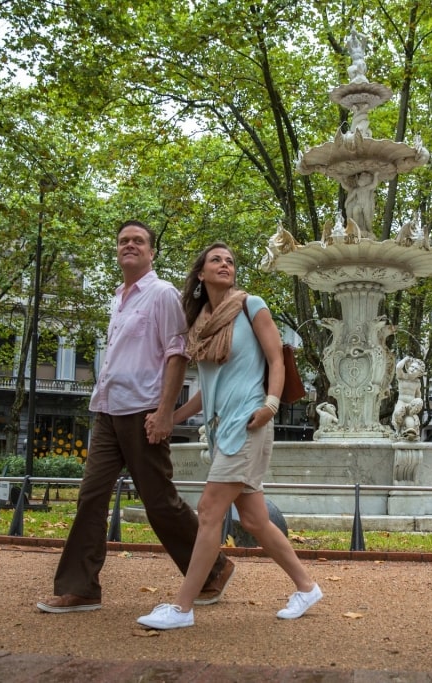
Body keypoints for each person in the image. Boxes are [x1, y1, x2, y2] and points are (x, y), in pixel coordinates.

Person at [37, 221, 233, 614]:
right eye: (124, 240)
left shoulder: (161, 295)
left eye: (138, 241)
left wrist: (164, 413)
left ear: (151, 252)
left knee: (159, 501)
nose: (130, 245)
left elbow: (176, 354)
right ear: (117, 250)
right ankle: (81, 588)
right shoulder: (118, 298)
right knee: (91, 496)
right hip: (107, 410)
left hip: (143, 412)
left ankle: (212, 568)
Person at [137, 242, 321, 630]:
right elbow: (209, 388)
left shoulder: (251, 305)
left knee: (208, 511)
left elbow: (276, 360)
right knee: (254, 520)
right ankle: (307, 587)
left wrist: (271, 405)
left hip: (248, 423)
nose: (225, 264)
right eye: (216, 260)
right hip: (222, 429)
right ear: (201, 274)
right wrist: (169, 416)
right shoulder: (200, 322)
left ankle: (182, 608)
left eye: (231, 261)